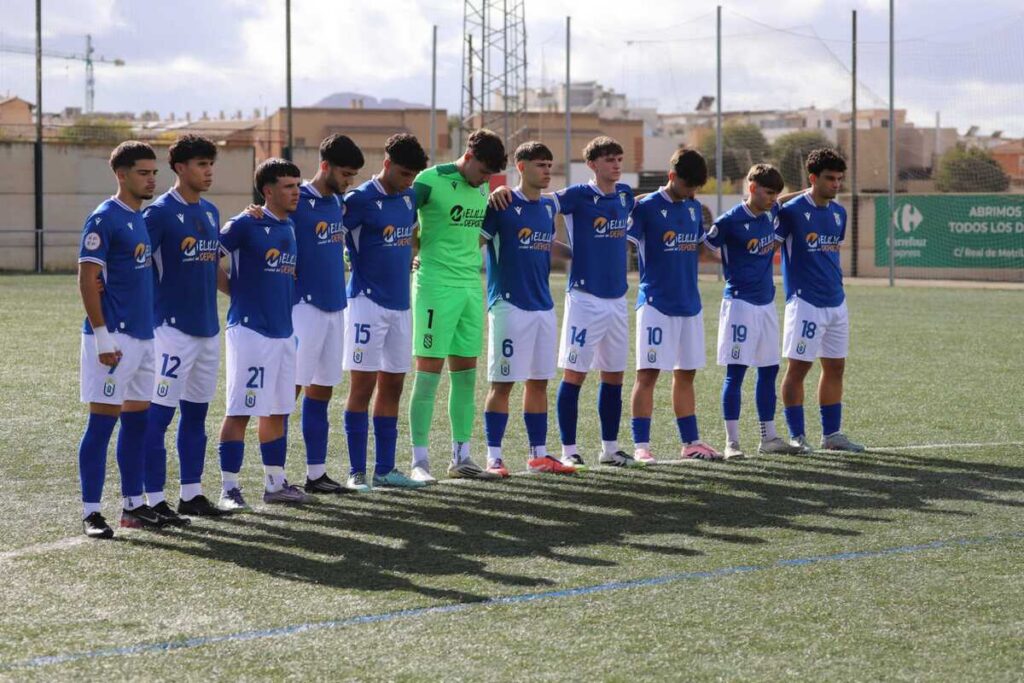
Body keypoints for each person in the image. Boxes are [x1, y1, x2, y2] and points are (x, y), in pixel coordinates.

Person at [407, 129, 508, 483]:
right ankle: (419, 462)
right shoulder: (428, 180)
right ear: (469, 156)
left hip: (469, 287)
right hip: (435, 286)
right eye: (483, 171)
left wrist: (497, 191)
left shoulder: (483, 186)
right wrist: (412, 253)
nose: (485, 179)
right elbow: (398, 216)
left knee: (466, 375)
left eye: (490, 176)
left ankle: (461, 457)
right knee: (428, 374)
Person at [76, 140, 162, 538]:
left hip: (143, 337)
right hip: (114, 339)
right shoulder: (104, 218)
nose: (151, 179)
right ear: (121, 175)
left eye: (154, 172)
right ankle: (91, 512)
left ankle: (132, 506)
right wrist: (101, 336)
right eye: (143, 173)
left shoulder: (139, 218)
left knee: (138, 423)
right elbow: (86, 279)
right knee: (101, 425)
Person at [141, 134, 228, 522]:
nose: (208, 172)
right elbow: (137, 266)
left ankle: (191, 494)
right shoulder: (158, 214)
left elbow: (215, 267)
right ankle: (153, 499)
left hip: (208, 331)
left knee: (196, 416)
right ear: (179, 168)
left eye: (211, 164)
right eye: (201, 164)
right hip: (170, 333)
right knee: (158, 417)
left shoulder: (210, 211)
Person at [480, 141, 577, 476]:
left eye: (550, 165)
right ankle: (494, 457)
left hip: (543, 307)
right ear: (520, 167)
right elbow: (474, 242)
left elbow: (545, 243)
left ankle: (538, 455)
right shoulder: (502, 203)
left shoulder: (548, 207)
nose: (547, 171)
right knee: (503, 383)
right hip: (508, 305)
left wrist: (581, 254)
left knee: (538, 382)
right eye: (540, 165)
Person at [216, 158, 306, 508]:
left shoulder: (290, 226)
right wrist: (235, 291)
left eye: (298, 185)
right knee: (240, 409)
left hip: (284, 333)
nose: (296, 192)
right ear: (268, 191)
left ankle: (275, 483)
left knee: (278, 410)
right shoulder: (245, 223)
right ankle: (228, 488)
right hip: (250, 331)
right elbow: (210, 258)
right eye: (288, 186)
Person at [342, 133, 430, 489]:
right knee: (362, 387)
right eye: (405, 173)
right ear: (387, 164)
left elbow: (409, 238)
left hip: (401, 305)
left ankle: (385, 469)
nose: (409, 181)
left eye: (414, 176)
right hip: (366, 303)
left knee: (393, 384)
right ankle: (355, 471)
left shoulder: (409, 198)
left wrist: (410, 257)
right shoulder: (359, 200)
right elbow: (331, 234)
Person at [627, 149, 722, 463]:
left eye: (696, 187)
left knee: (686, 374)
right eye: (687, 185)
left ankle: (691, 442)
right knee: (648, 375)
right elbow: (622, 242)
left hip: (690, 305)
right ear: (671, 177)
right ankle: (641, 446)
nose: (691, 192)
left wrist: (733, 259)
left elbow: (700, 249)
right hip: (656, 304)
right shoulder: (645, 207)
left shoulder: (693, 207)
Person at [551, 136, 638, 469]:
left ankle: (610, 449)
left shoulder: (625, 195)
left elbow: (648, 202)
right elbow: (538, 203)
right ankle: (568, 450)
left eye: (619, 159)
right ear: (592, 164)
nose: (616, 165)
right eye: (608, 159)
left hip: (617, 301)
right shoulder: (577, 195)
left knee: (614, 376)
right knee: (574, 375)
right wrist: (505, 192)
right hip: (585, 299)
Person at [705, 164, 801, 459]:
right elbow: (705, 247)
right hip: (739, 305)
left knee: (769, 370)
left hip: (766, 304)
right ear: (752, 188)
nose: (773, 199)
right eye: (769, 193)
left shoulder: (772, 212)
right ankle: (732, 443)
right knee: (736, 373)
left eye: (776, 194)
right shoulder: (729, 221)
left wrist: (810, 190)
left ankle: (768, 437)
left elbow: (784, 201)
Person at [777, 148, 865, 453]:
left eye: (840, 179)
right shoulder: (791, 211)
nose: (836, 184)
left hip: (836, 302)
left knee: (836, 367)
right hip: (805, 302)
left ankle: (832, 435)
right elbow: (770, 211)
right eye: (830, 178)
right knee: (798, 369)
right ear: (812, 178)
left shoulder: (839, 213)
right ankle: (797, 436)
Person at [290, 134, 364, 492]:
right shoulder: (296, 199)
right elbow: (261, 222)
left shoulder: (338, 202)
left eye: (352, 176)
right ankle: (274, 478)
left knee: (321, 393)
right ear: (325, 166)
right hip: (302, 308)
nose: (349, 181)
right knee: (286, 395)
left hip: (336, 308)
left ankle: (316, 474)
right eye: (345, 174)